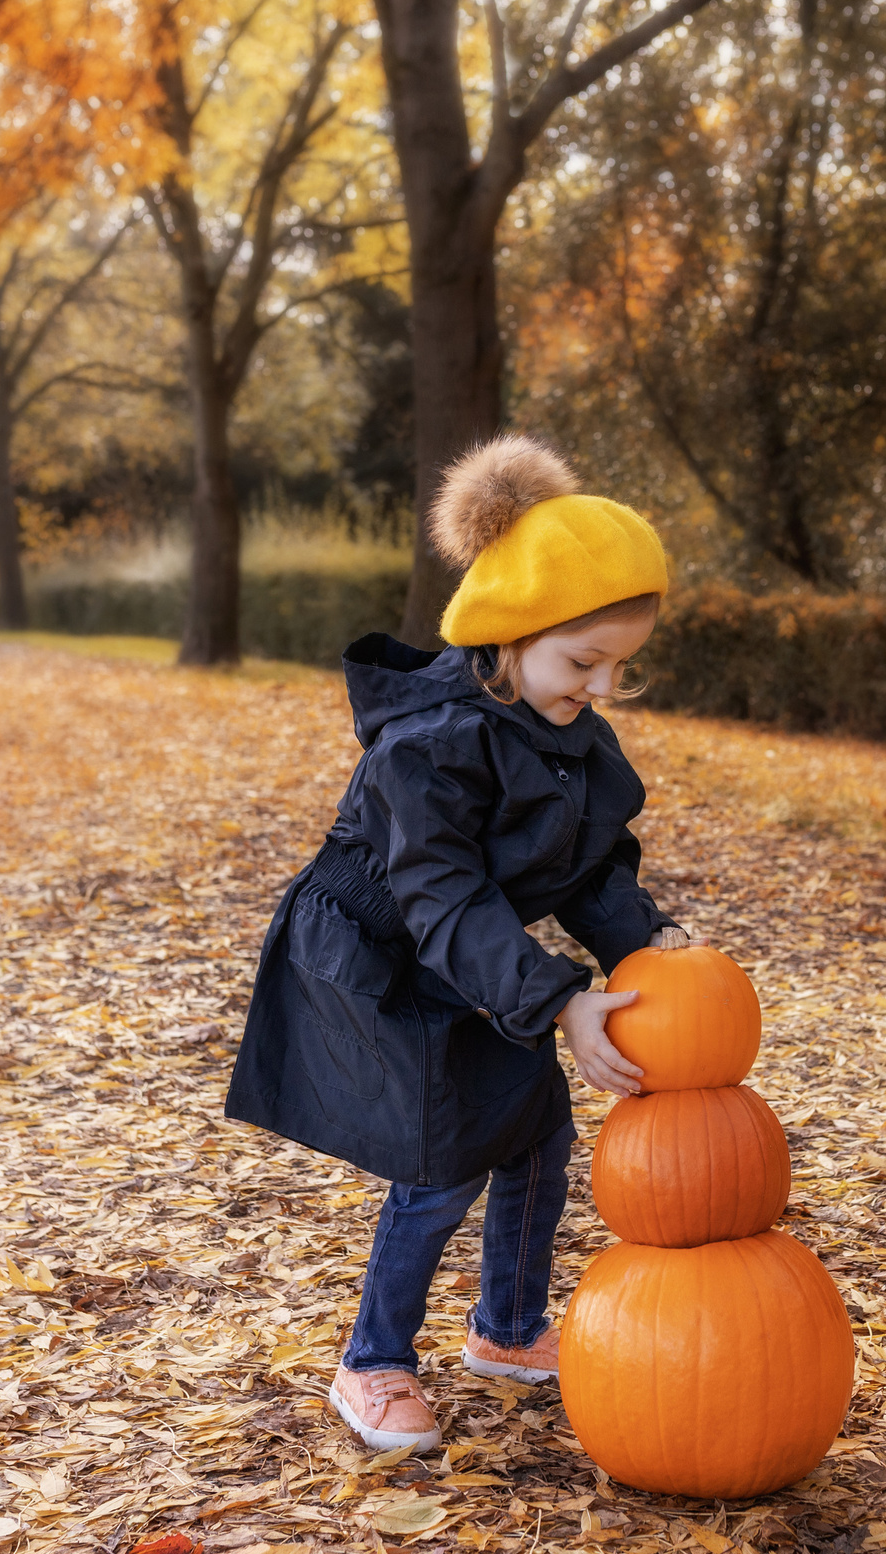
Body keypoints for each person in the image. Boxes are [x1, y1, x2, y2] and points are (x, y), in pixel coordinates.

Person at [225, 435, 690, 1452]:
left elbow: (586, 866)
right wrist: (555, 999)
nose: (601, 686)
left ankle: (507, 1329)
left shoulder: (567, 731)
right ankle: (372, 1361)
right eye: (583, 661)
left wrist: (649, 948)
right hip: (379, 951)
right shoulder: (430, 743)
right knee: (441, 1157)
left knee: (535, 1129)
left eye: (621, 666)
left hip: (473, 953)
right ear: (509, 632)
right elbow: (442, 895)